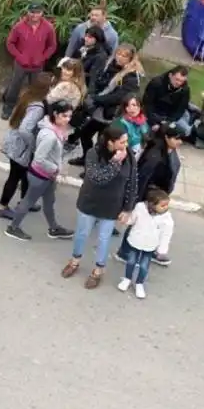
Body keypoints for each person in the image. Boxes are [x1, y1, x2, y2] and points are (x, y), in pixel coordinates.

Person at [61, 123, 137, 289]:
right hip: (90, 201)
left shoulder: (129, 156)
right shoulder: (93, 154)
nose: (126, 145)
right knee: (82, 233)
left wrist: (127, 208)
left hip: (111, 205)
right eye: (122, 142)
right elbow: (97, 178)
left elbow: (132, 182)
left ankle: (98, 270)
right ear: (110, 142)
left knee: (104, 238)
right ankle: (75, 261)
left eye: (126, 141)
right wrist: (115, 163)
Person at [3, 101, 75, 242]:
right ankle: (13, 227)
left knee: (49, 201)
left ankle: (54, 228)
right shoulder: (50, 136)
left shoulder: (54, 129)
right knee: (28, 201)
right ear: (55, 114)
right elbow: (39, 159)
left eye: (70, 116)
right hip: (41, 175)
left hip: (47, 175)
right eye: (65, 116)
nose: (68, 119)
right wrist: (55, 168)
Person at [1, 3, 57, 120]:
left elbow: (52, 46)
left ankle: (29, 110)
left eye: (37, 12)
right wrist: (19, 56)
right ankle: (8, 106)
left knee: (35, 88)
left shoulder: (48, 28)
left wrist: (43, 57)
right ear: (28, 12)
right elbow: (10, 43)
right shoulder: (19, 26)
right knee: (15, 85)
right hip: (21, 64)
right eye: (32, 12)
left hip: (38, 65)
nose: (34, 15)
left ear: (42, 13)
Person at [117, 188, 174, 300]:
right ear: (152, 204)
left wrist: (162, 250)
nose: (166, 208)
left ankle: (139, 283)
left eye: (167, 205)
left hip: (150, 246)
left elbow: (166, 234)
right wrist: (125, 220)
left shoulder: (167, 218)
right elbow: (132, 220)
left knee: (144, 266)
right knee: (131, 261)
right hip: (135, 241)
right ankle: (127, 279)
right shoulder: (140, 208)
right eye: (163, 205)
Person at [142, 65, 192, 138]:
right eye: (177, 79)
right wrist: (154, 122)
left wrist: (168, 122)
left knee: (186, 130)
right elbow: (147, 104)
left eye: (182, 81)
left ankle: (167, 131)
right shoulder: (156, 83)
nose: (178, 83)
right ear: (170, 75)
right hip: (154, 113)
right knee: (146, 131)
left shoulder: (185, 89)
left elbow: (180, 110)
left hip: (170, 116)